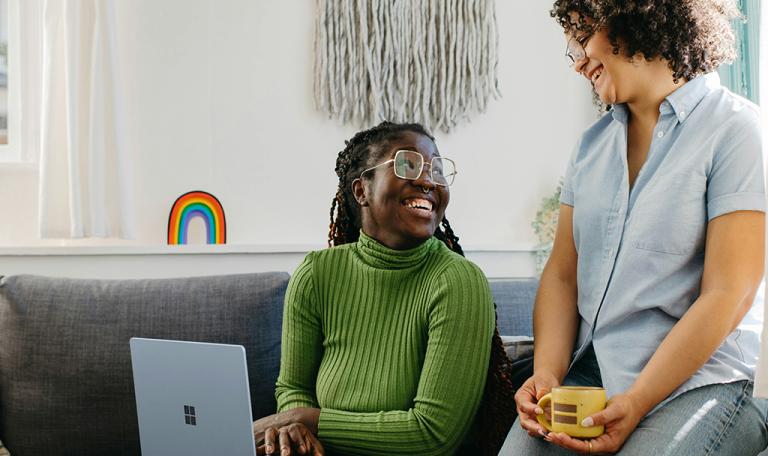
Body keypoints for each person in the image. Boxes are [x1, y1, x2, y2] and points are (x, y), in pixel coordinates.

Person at [501, 0, 767, 454]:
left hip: (706, 383)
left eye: (584, 39)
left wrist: (639, 401)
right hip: (593, 375)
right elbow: (563, 275)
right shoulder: (591, 148)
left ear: (638, 19)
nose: (579, 62)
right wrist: (546, 372)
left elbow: (729, 294)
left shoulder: (737, 130)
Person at [252, 121, 517, 456]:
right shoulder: (317, 273)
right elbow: (294, 386)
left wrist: (307, 420)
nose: (426, 181)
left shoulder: (457, 281)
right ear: (361, 190)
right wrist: (297, 433)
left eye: (436, 170)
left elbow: (434, 435)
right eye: (408, 164)